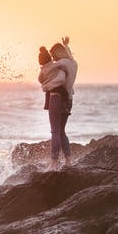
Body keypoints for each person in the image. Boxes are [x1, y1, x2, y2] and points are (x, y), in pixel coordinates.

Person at [38, 36, 78, 170]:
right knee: (61, 131)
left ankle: (54, 162)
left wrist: (45, 86)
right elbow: (69, 57)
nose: (53, 58)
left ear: (57, 53)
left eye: (53, 55)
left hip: (57, 98)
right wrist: (66, 46)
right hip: (69, 99)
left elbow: (59, 81)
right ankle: (68, 160)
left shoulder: (60, 65)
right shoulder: (73, 63)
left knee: (55, 131)